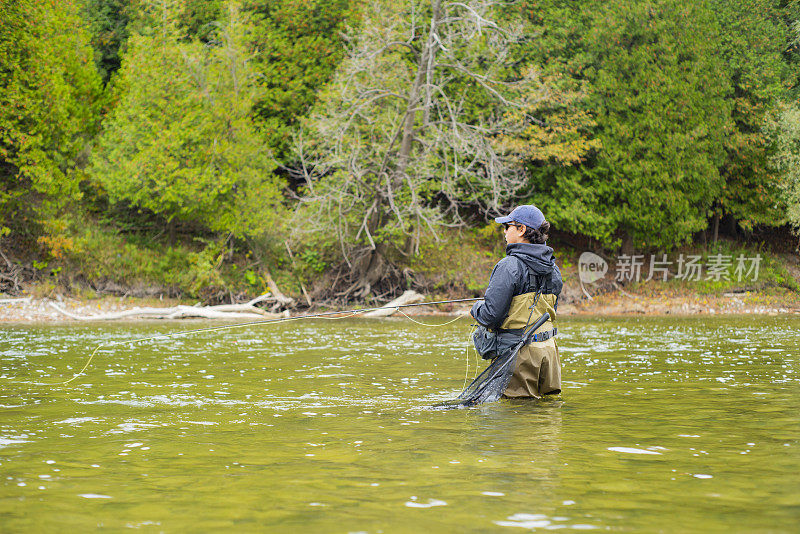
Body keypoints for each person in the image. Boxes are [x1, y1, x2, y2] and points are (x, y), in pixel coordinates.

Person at [470, 205, 563, 398]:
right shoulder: (554, 269)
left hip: (519, 355)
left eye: (507, 226)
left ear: (521, 230)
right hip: (549, 354)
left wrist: (475, 308)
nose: (504, 232)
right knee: (546, 415)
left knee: (514, 416)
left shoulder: (508, 266)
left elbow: (490, 316)